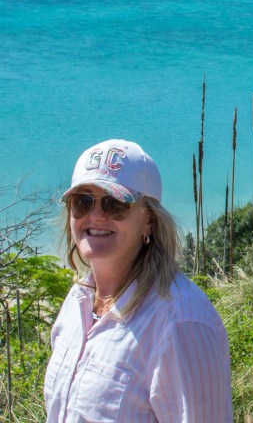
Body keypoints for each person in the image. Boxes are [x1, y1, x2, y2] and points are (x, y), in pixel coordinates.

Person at [44, 139, 232, 423]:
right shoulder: (78, 300)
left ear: (149, 221)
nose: (95, 216)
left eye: (115, 203)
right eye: (82, 202)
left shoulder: (181, 321)